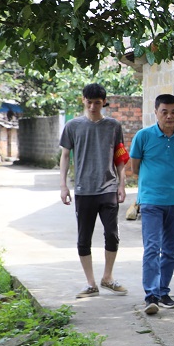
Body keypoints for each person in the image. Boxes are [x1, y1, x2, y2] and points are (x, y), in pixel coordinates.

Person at [58, 83, 129, 299]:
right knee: (84, 237)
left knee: (112, 234)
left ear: (104, 102)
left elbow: (120, 157)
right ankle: (90, 284)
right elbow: (65, 156)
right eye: (89, 102)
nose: (92, 107)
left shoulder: (113, 126)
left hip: (108, 186)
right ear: (83, 100)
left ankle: (107, 277)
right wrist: (63, 185)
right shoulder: (72, 126)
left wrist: (122, 183)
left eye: (97, 103)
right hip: (83, 189)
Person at [129, 94, 174, 315]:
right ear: (156, 112)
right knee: (152, 248)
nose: (169, 116)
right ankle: (151, 295)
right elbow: (135, 167)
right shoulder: (143, 136)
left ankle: (163, 291)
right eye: (164, 112)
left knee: (170, 250)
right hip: (151, 201)